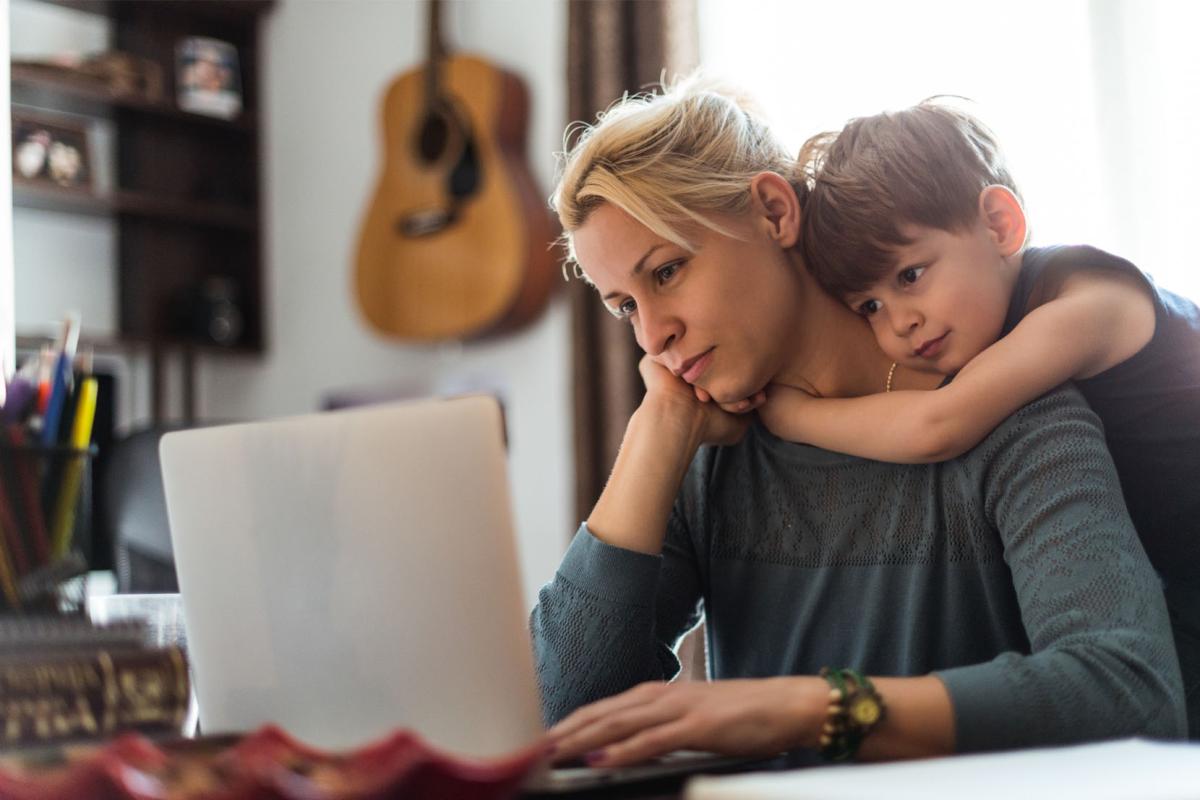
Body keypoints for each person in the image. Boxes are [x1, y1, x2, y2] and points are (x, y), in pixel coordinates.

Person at [530, 76, 1186, 768]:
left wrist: (813, 709)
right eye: (625, 306)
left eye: (666, 272)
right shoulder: (708, 452)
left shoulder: (1017, 413)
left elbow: (1132, 692)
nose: (653, 336)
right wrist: (655, 428)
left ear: (775, 211)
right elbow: (563, 723)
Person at [758, 100, 1200, 738]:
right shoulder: (993, 326)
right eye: (869, 305)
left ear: (999, 225)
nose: (897, 322)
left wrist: (793, 414)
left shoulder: (1089, 301)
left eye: (911, 275)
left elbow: (938, 425)